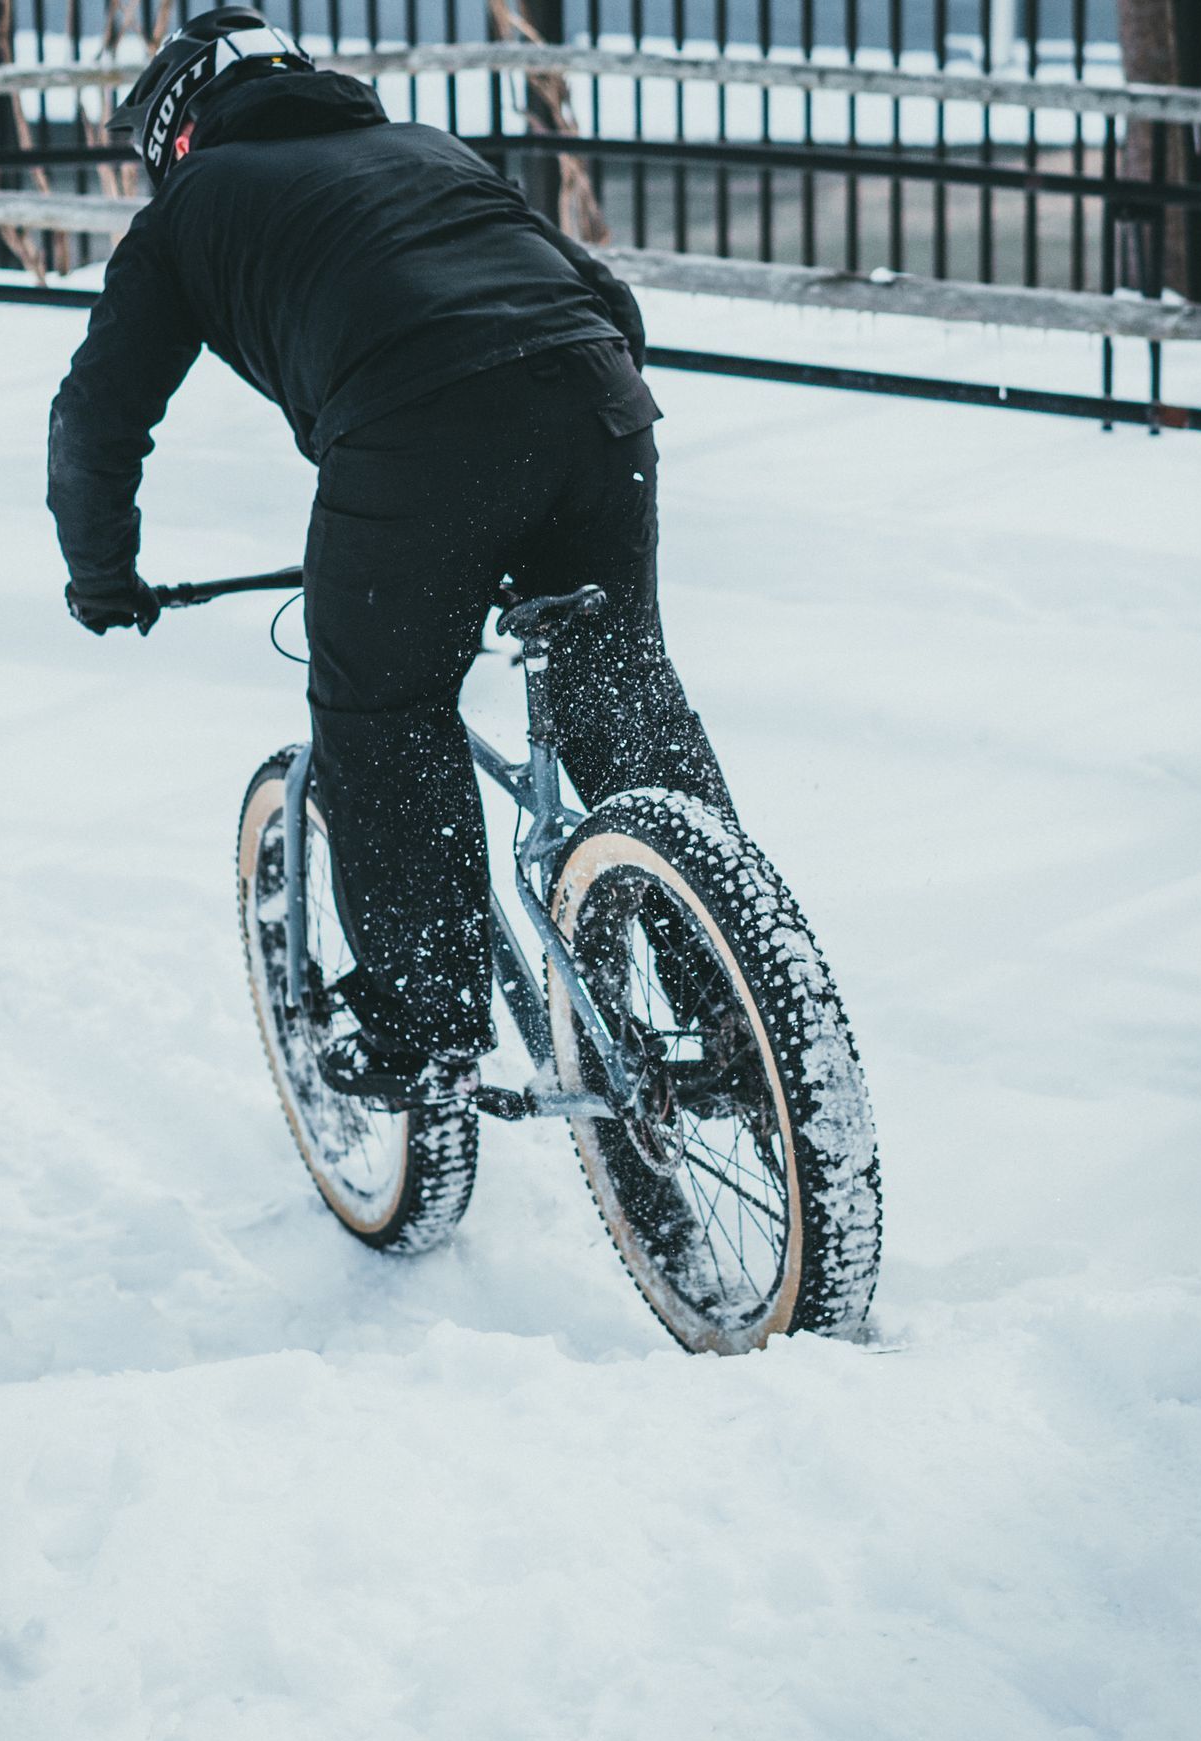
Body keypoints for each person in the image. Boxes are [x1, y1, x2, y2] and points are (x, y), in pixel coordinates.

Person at [48, 8, 730, 1103]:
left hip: (419, 432)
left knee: (384, 708)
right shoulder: (426, 146)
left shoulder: (190, 208)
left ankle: (427, 1021)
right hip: (599, 403)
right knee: (622, 695)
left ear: (175, 132)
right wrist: (546, 462)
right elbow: (605, 299)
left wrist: (101, 574)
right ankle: (738, 996)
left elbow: (97, 417)